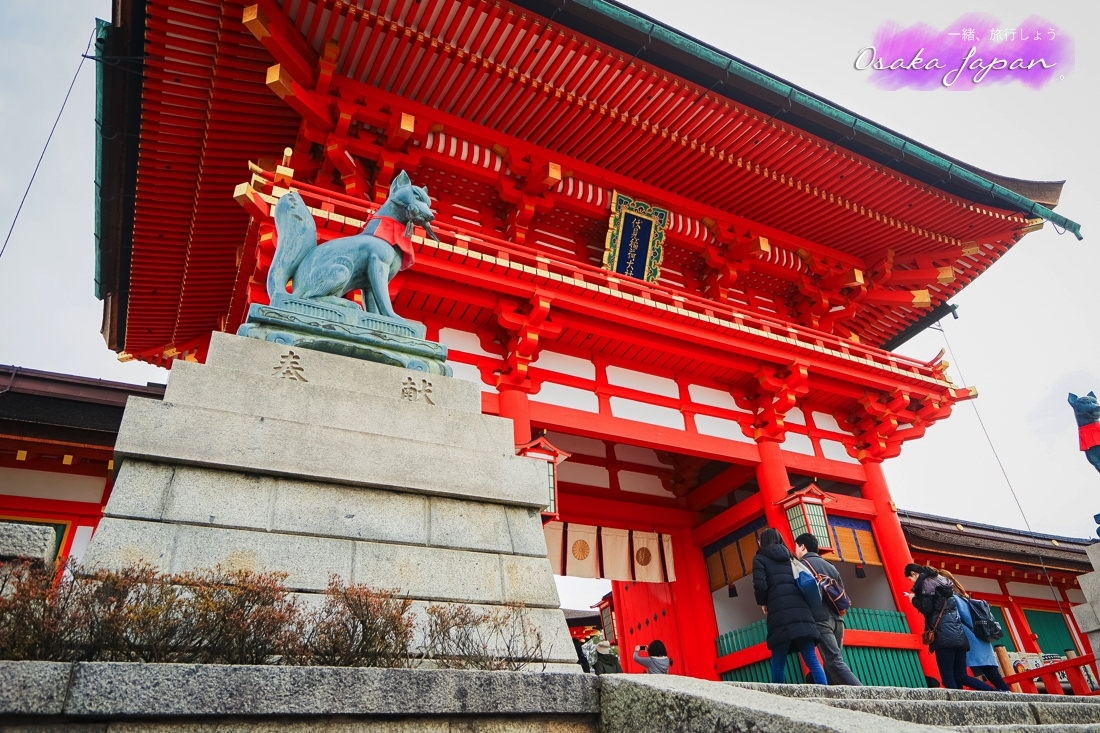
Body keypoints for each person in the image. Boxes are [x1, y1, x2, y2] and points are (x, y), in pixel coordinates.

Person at [752, 527, 828, 685]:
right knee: (811, 658)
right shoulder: (790, 557)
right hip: (801, 611)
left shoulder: (760, 558)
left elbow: (760, 585)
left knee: (779, 660)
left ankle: (779, 699)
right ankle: (825, 692)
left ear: (763, 541)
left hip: (779, 613)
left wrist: (763, 602)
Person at [904, 563, 995, 691]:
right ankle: (994, 693)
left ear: (914, 573)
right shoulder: (943, 582)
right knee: (961, 676)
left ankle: (961, 704)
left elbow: (926, 607)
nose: (911, 582)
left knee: (947, 678)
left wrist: (913, 599)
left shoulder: (926, 583)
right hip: (959, 636)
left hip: (944, 637)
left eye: (910, 579)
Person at [794, 533, 862, 686]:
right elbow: (841, 591)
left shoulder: (801, 566)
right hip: (838, 619)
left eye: (796, 547)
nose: (796, 551)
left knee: (834, 661)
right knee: (831, 663)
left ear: (803, 546)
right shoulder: (831, 566)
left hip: (821, 619)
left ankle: (865, 692)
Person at [939, 569, 1011, 692]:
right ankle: (1007, 693)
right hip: (981, 636)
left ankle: (997, 694)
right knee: (992, 673)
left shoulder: (952, 599)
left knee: (960, 676)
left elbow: (954, 620)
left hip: (969, 638)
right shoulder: (966, 598)